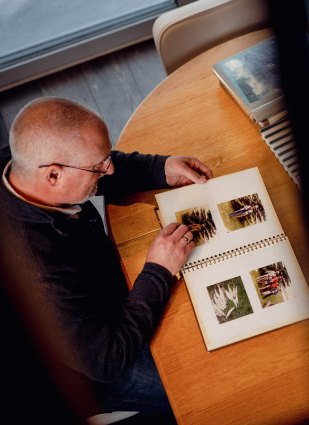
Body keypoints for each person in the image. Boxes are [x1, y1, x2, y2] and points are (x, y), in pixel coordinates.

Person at [0, 97, 213, 417]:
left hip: (101, 291)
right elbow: (108, 361)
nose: (110, 169)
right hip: (97, 366)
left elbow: (98, 163)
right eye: (98, 167)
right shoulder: (38, 274)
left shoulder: (20, 163)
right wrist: (157, 270)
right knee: (204, 384)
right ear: (53, 176)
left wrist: (159, 167)